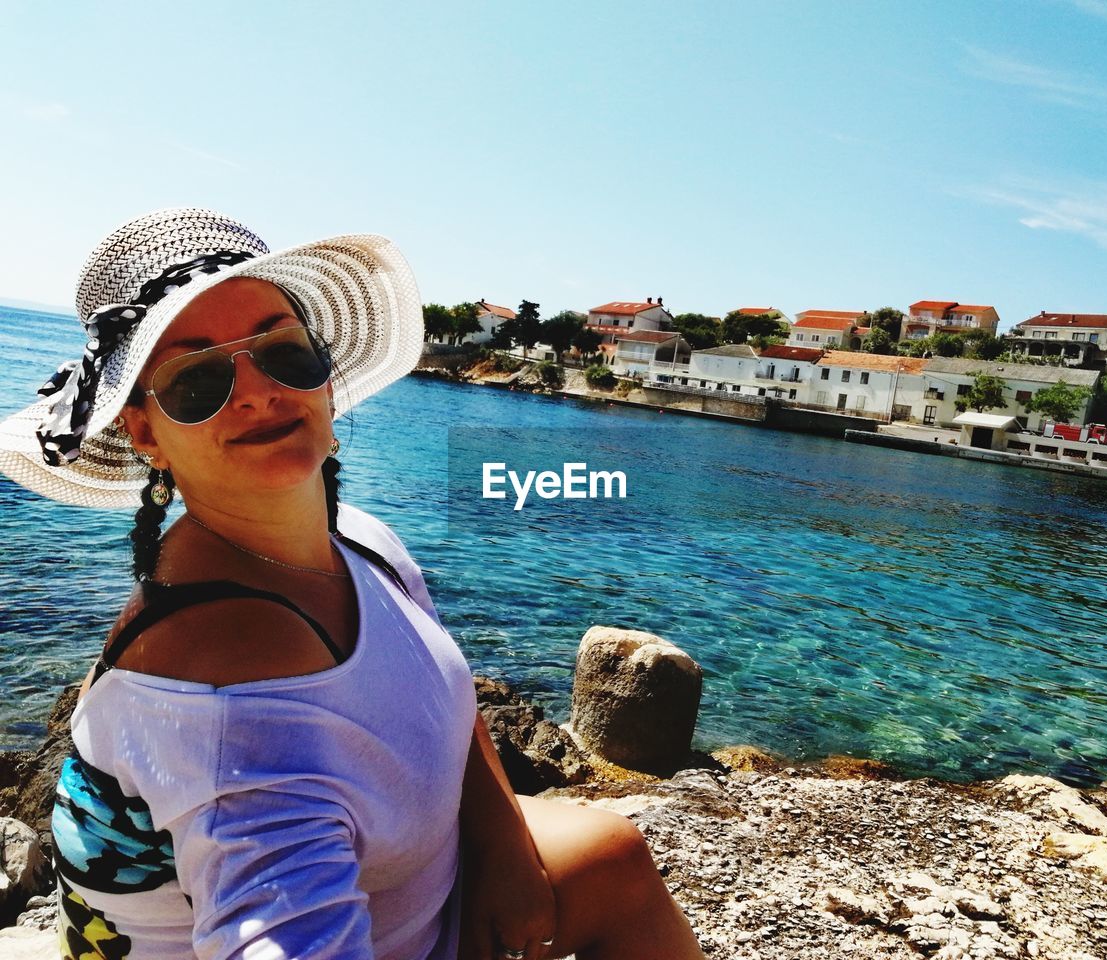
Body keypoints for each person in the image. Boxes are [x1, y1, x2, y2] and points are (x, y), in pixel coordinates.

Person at [0, 208, 706, 960]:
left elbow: (435, 690)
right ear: (144, 432)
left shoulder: (360, 541)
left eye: (282, 352)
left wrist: (501, 843)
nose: (257, 391)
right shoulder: (230, 700)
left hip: (410, 904)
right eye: (198, 379)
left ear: (326, 378)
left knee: (613, 854)